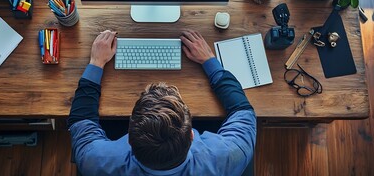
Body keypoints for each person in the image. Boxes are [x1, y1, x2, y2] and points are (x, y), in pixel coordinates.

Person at [68, 29, 256, 176]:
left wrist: (96, 62)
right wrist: (209, 60)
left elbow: (80, 121)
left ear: (129, 138)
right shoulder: (231, 154)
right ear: (191, 135)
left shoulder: (93, 160)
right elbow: (243, 111)